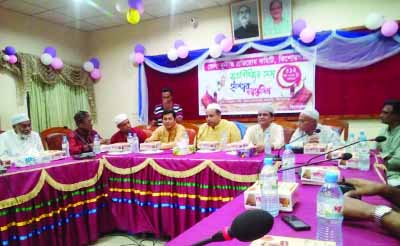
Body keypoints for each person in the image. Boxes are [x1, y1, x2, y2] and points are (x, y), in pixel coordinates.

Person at [376, 99, 400, 187]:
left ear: (397, 116)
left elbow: (397, 161)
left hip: (395, 176)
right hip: (382, 170)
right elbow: (376, 152)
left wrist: (381, 159)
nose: (381, 115)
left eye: (385, 113)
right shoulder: (384, 130)